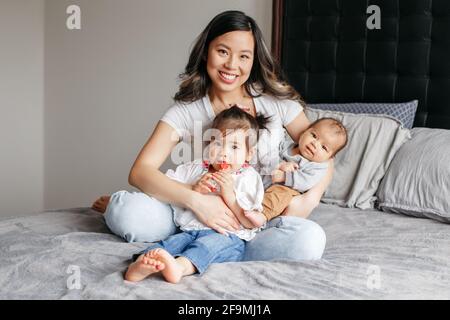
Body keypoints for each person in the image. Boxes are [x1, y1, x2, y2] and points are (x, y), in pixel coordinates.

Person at [92, 10, 331, 262]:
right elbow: (140, 171)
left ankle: (224, 246)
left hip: (253, 221)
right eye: (223, 51)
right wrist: (197, 201)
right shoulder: (186, 111)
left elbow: (325, 153)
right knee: (125, 211)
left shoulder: (276, 103)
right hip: (189, 214)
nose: (231, 65)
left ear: (254, 61)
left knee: (309, 240)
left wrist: (310, 199)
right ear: (207, 51)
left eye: (244, 56)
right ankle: (198, 240)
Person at [125, 106, 269, 283]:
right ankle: (140, 264)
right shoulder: (196, 168)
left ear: (249, 154)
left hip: (226, 236)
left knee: (207, 248)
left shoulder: (248, 178)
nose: (224, 153)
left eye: (234, 147)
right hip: (189, 231)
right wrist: (192, 188)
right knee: (168, 245)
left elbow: (249, 221)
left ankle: (180, 268)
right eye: (217, 143)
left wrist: (230, 195)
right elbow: (165, 183)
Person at [244, 118, 348, 227]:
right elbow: (271, 156)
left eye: (323, 147)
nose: (315, 144)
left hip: (287, 189)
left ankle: (262, 215)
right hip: (265, 180)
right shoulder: (286, 145)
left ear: (329, 157)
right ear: (304, 132)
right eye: (314, 136)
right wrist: (280, 164)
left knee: (280, 195)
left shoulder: (317, 166)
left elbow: (306, 181)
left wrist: (284, 176)